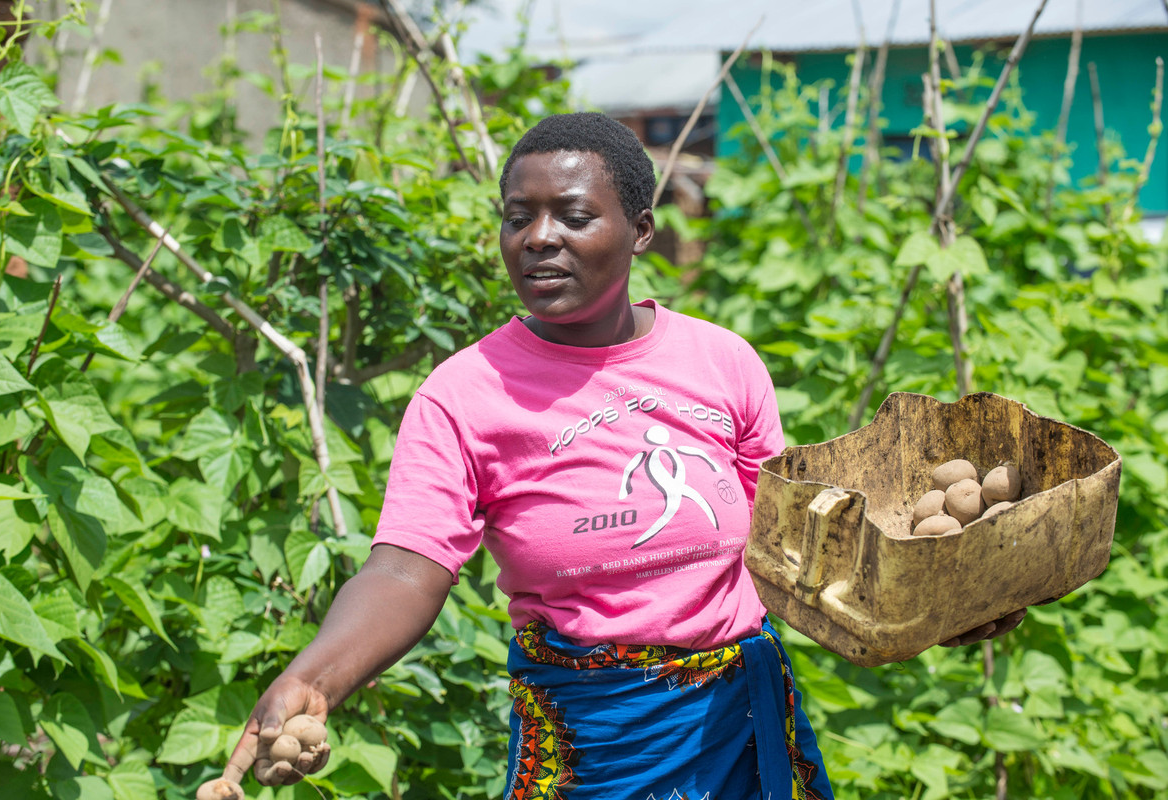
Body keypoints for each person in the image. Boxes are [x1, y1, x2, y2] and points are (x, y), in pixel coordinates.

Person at [220, 112, 1024, 799]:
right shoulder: (464, 394)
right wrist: (314, 680)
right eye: (517, 217)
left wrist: (929, 606)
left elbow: (798, 551)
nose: (539, 239)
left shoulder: (721, 363)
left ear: (639, 230)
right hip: (588, 738)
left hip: (737, 730)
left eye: (572, 215)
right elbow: (404, 569)